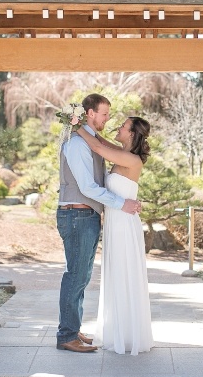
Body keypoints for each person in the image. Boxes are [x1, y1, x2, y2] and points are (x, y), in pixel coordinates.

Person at [56, 93, 142, 354]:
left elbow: (101, 147)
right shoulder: (77, 144)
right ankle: (66, 335)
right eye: (104, 114)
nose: (109, 119)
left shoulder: (90, 141)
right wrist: (121, 203)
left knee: (82, 277)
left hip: (87, 215)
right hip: (77, 215)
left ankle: (73, 328)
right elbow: (87, 186)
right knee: (76, 276)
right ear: (90, 113)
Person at [77, 116, 154, 355]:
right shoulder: (122, 153)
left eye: (123, 125)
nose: (118, 127)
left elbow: (98, 147)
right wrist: (84, 125)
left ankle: (127, 335)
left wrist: (76, 126)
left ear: (131, 134)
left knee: (123, 274)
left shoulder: (130, 158)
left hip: (123, 225)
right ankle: (118, 331)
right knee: (116, 275)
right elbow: (100, 140)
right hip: (115, 222)